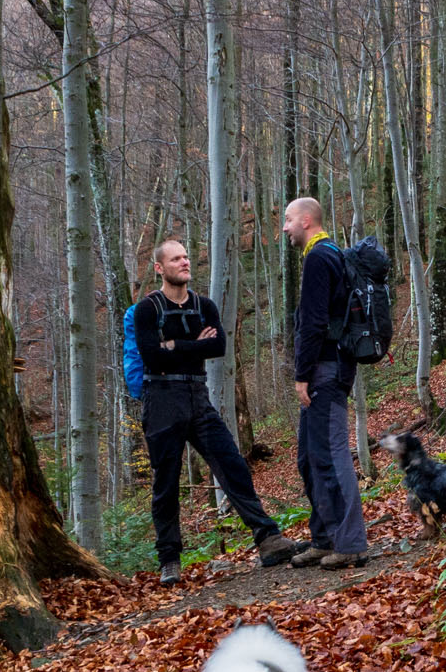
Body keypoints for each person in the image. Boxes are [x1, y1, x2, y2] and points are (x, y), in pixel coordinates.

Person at [134, 239, 299, 583]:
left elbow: (218, 346)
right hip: (161, 398)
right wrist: (194, 346)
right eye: (176, 259)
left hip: (197, 395)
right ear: (159, 268)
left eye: (186, 257)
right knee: (165, 481)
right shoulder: (147, 309)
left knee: (232, 464)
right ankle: (170, 560)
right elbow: (151, 356)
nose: (184, 262)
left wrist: (175, 345)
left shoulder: (203, 306)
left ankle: (268, 539)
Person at [285, 198, 368, 569]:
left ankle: (350, 543)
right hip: (328, 368)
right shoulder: (328, 254)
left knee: (332, 455)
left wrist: (302, 375)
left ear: (306, 220)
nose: (284, 228)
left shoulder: (320, 257)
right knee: (309, 456)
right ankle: (324, 538)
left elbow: (314, 323)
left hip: (326, 371)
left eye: (287, 220)